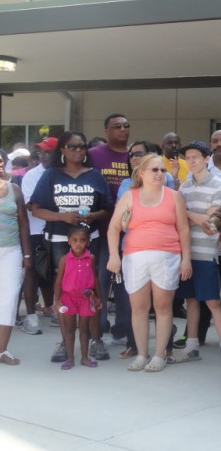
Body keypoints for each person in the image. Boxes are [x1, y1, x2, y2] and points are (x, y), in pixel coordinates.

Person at [31, 132, 113, 364]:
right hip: (59, 240)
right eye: (73, 146)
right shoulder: (51, 175)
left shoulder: (95, 176)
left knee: (91, 289)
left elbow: (107, 208)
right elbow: (35, 208)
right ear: (63, 150)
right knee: (67, 291)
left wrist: (93, 216)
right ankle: (65, 341)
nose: (78, 150)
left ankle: (95, 339)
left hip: (90, 239)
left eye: (82, 146)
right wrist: (62, 217)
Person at [106, 153, 192, 372]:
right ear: (141, 173)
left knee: (163, 307)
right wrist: (114, 256)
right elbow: (114, 227)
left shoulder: (174, 196)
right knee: (139, 308)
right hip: (135, 256)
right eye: (154, 170)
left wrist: (186, 260)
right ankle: (142, 353)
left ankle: (160, 354)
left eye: (162, 170)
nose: (160, 174)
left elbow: (183, 229)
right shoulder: (129, 196)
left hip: (167, 256)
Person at [177, 141, 221, 372]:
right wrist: (196, 217)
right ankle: (192, 345)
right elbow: (196, 219)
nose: (191, 161)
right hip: (186, 252)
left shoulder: (219, 185)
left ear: (206, 158)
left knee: (212, 301)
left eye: (195, 157)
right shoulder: (183, 187)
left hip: (207, 252)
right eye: (188, 158)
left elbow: (211, 223)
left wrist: (184, 213)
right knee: (191, 300)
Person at [88, 113, 131, 342]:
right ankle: (99, 325)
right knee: (101, 279)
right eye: (116, 126)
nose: (122, 130)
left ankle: (123, 326)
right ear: (106, 130)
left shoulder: (135, 155)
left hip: (132, 232)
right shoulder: (94, 155)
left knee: (125, 282)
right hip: (102, 229)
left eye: (126, 126)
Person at [20, 137, 58, 335]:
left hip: (59, 230)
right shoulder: (32, 175)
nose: (43, 155)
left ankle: (52, 307)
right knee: (33, 272)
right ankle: (31, 315)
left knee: (55, 272)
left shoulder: (63, 173)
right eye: (41, 151)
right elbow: (30, 205)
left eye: (48, 151)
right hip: (36, 231)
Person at [53, 225, 102, 370]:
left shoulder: (91, 258)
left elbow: (95, 278)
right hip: (69, 298)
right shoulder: (64, 260)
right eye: (74, 240)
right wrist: (57, 300)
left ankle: (85, 358)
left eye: (82, 240)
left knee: (84, 329)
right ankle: (69, 358)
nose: (78, 243)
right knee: (69, 329)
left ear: (88, 241)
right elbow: (59, 281)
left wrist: (98, 297)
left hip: (85, 298)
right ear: (68, 241)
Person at [0, 151, 32, 366]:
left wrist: (27, 253)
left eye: (1, 160)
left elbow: (23, 223)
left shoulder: (15, 189)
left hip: (11, 252)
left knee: (9, 300)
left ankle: (2, 350)